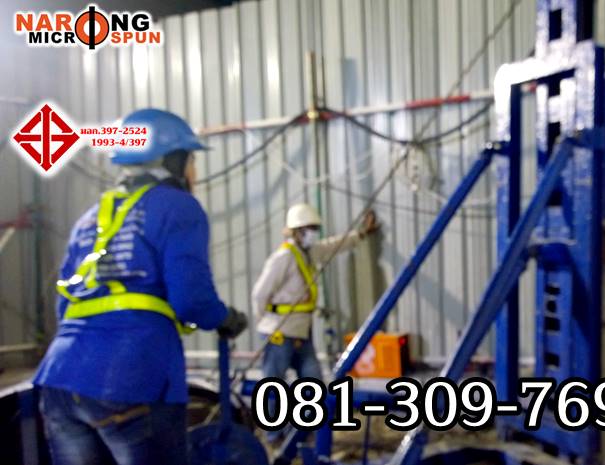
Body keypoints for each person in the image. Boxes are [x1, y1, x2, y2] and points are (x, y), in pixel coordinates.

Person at [32, 109, 248, 465]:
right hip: (132, 375)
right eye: (191, 160)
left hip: (61, 377)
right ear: (173, 160)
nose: (194, 171)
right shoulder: (178, 207)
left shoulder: (90, 219)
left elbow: (65, 303)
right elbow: (191, 299)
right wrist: (226, 319)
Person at [251, 203, 378, 442]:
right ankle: (274, 437)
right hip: (279, 333)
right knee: (274, 386)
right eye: (308, 228)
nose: (313, 233)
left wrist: (360, 234)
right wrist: (266, 323)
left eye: (314, 228)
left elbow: (333, 246)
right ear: (296, 231)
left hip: (301, 332)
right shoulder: (283, 257)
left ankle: (302, 433)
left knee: (312, 383)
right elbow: (259, 294)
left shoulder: (309, 253)